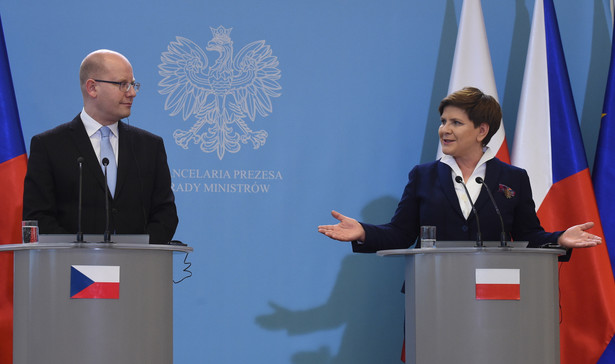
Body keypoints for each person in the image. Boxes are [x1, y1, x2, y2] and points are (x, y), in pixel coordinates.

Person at [318, 87, 601, 253]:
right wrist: (363, 232)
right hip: (432, 290)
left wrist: (559, 238)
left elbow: (529, 235)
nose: (445, 130)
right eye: (443, 121)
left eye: (456, 123)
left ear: (481, 130)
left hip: (495, 293)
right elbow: (401, 234)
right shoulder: (423, 176)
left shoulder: (513, 179)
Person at [23, 49, 178, 243]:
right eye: (123, 84)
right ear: (92, 88)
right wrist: (83, 256)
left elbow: (165, 214)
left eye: (133, 84)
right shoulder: (49, 146)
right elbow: (38, 217)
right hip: (71, 269)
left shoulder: (150, 146)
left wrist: (139, 250)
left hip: (138, 267)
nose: (132, 93)